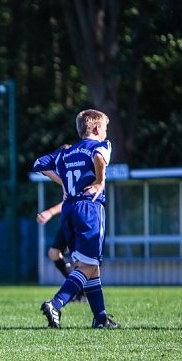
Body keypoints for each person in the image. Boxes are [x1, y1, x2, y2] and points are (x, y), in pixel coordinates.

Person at [32, 109, 120, 329]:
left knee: (89, 267)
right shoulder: (100, 145)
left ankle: (100, 319)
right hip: (89, 208)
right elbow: (99, 156)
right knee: (88, 266)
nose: (106, 133)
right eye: (105, 129)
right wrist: (100, 182)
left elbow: (39, 164)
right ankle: (56, 303)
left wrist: (63, 183)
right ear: (98, 128)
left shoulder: (67, 153)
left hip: (69, 209)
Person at [36, 201, 87, 303]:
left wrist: (50, 212)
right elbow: (67, 198)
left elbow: (71, 200)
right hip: (68, 221)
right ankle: (76, 289)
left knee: (79, 260)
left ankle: (82, 294)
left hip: (81, 219)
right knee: (53, 253)